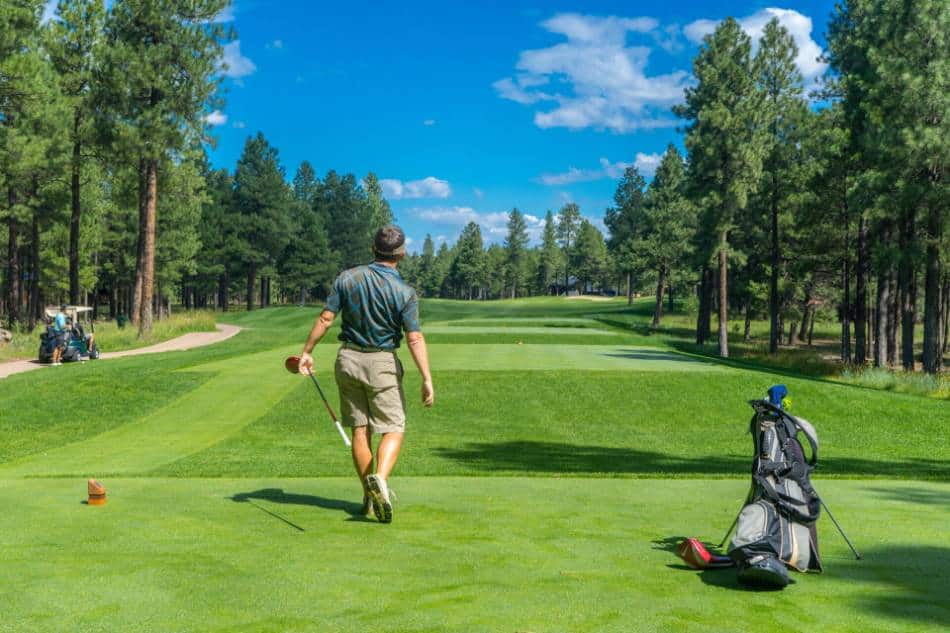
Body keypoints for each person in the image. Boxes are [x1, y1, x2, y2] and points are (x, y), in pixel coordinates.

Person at [298, 225, 434, 524]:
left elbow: (326, 318)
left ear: (373, 249)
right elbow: (413, 338)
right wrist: (426, 378)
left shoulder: (347, 278)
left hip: (347, 359)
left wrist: (307, 351)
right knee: (394, 427)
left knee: (361, 430)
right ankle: (380, 482)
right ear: (402, 253)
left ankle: (369, 497)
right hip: (381, 362)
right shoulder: (405, 292)